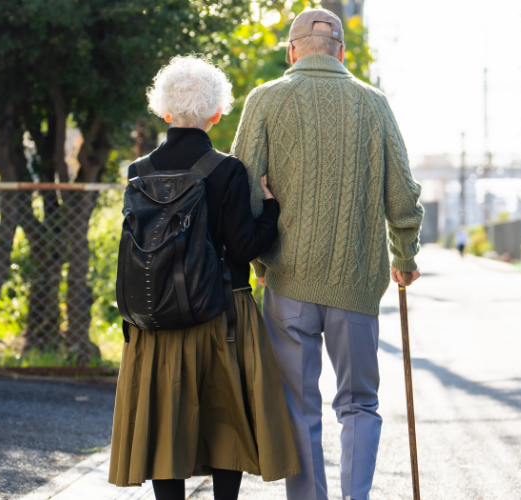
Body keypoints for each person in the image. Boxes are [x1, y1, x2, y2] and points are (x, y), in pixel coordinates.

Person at [231, 8, 424, 500]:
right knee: (359, 402)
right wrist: (404, 255)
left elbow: (243, 192)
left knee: (298, 403)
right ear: (341, 51)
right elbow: (401, 194)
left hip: (287, 280)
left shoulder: (265, 100)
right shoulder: (373, 103)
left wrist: (257, 260)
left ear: (292, 51)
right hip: (356, 284)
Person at [109, 55, 301, 500]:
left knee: (164, 422)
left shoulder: (139, 172)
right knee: (225, 418)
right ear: (216, 114)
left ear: (164, 111)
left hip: (154, 318)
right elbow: (246, 247)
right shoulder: (227, 169)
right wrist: (271, 210)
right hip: (221, 313)